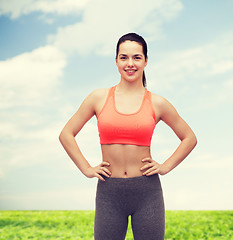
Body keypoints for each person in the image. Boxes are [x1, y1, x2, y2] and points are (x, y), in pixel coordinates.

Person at [59, 33, 197, 240]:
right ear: (116, 61)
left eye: (136, 57)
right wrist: (87, 169)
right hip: (109, 193)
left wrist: (165, 166)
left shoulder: (157, 103)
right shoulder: (98, 97)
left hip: (147, 192)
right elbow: (66, 134)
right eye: (123, 57)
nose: (130, 63)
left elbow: (189, 137)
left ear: (146, 60)